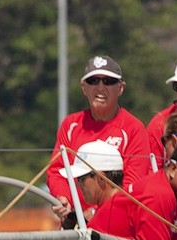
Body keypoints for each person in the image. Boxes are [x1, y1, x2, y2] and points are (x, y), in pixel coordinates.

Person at [47, 55, 152, 225]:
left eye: (108, 81)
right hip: (75, 223)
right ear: (83, 87)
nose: (100, 88)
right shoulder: (70, 125)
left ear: (121, 88)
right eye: (93, 81)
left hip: (117, 223)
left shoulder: (134, 128)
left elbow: (133, 185)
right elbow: (56, 171)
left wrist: (96, 212)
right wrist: (63, 199)